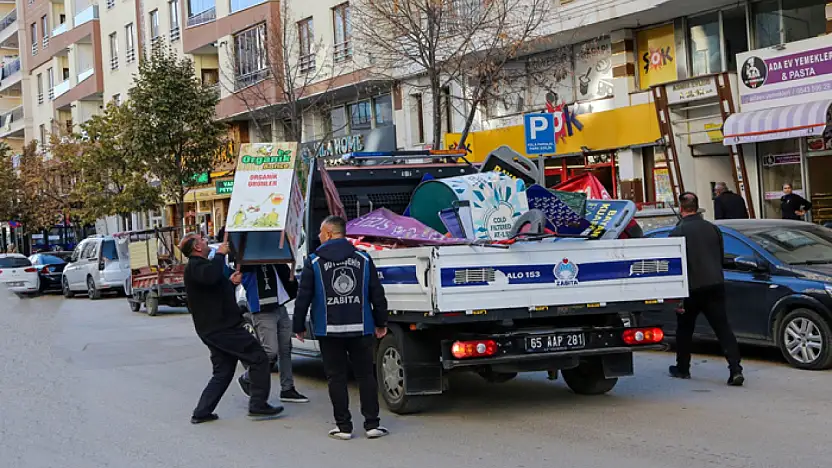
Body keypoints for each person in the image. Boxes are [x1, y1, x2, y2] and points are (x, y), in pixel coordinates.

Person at [293, 216, 390, 440]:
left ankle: (344, 427)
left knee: (336, 377)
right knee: (366, 376)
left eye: (320, 232)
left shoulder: (314, 262)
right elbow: (377, 293)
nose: (318, 236)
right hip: (361, 328)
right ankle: (372, 424)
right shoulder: (363, 259)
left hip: (329, 331)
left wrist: (298, 326)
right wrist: (381, 322)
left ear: (328, 233)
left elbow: (303, 296)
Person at [180, 233, 283, 424]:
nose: (205, 241)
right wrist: (220, 254)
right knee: (258, 358)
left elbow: (213, 291)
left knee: (223, 372)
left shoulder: (202, 268)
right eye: (201, 240)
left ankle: (202, 412)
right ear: (196, 248)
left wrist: (231, 283)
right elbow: (210, 278)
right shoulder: (196, 266)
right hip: (222, 328)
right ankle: (258, 404)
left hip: (216, 328)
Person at [669, 192, 744, 386]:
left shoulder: (678, 232)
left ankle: (683, 368)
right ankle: (735, 369)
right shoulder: (712, 228)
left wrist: (677, 295)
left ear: (681, 208)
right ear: (697, 207)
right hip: (715, 285)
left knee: (685, 329)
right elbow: (719, 258)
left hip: (691, 288)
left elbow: (674, 266)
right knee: (723, 328)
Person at [236, 262, 309, 404]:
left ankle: (287, 389)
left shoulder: (275, 258)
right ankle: (248, 377)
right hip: (263, 310)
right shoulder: (249, 259)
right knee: (270, 351)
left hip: (279, 306)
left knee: (285, 349)